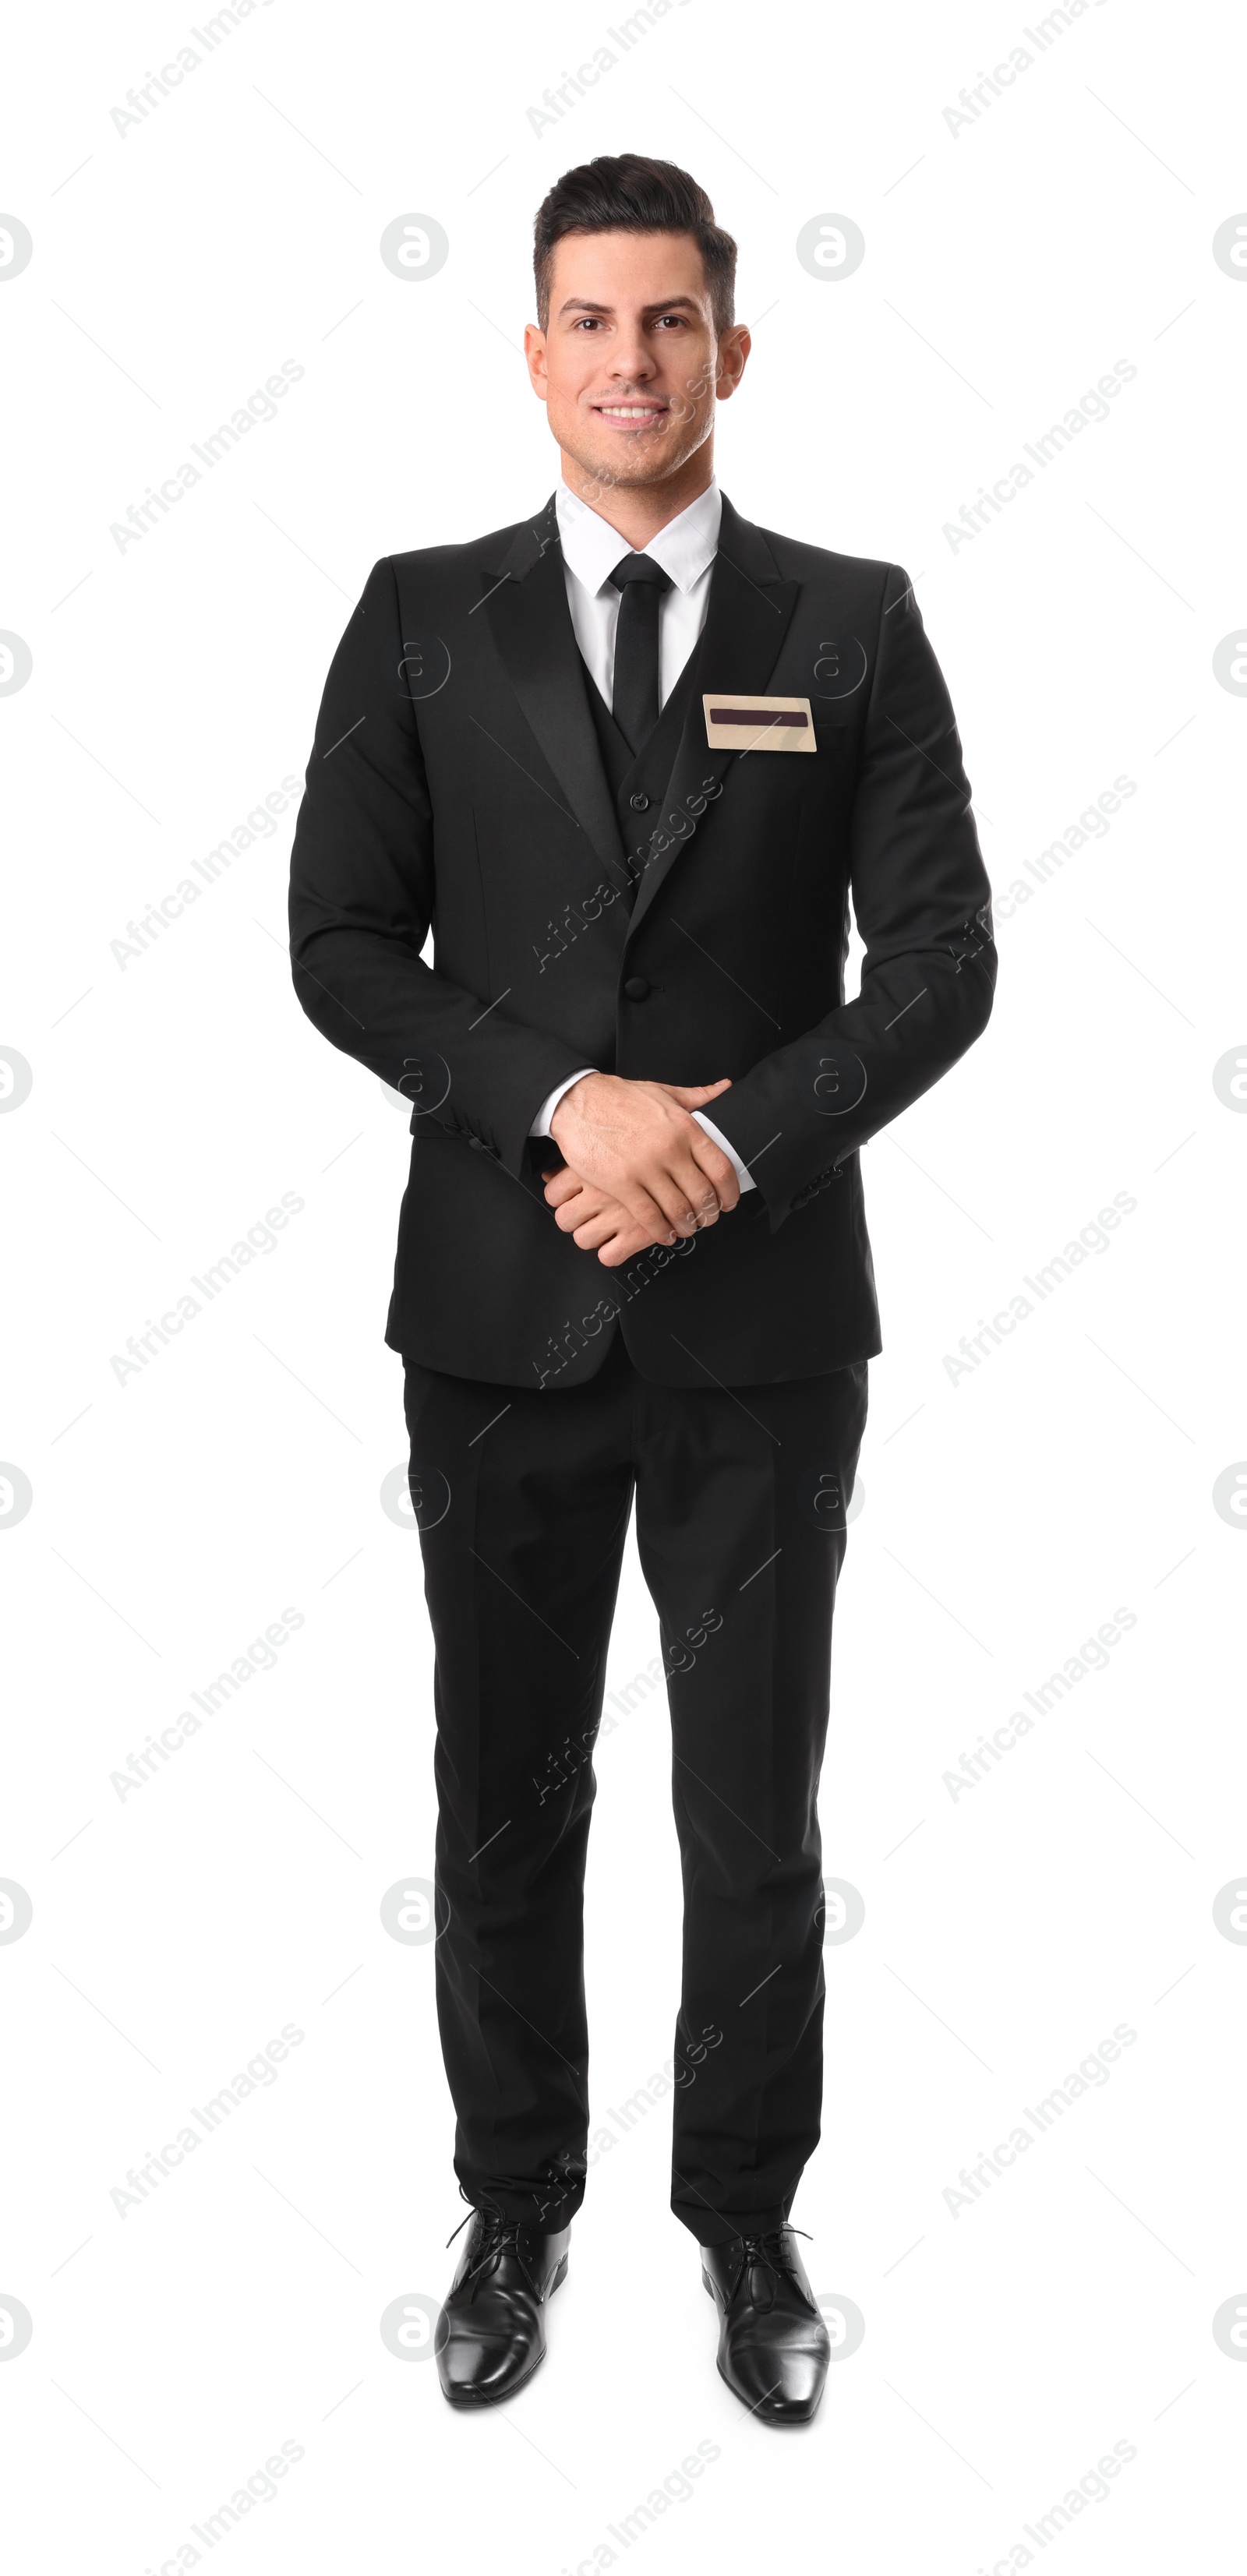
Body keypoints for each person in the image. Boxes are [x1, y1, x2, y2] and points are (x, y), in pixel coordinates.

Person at [288, 153, 996, 2423]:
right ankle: (516, 2200)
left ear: (731, 349)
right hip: (495, 1318)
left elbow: (952, 962)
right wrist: (559, 1103)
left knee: (752, 1800)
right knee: (504, 1786)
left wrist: (732, 1142)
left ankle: (746, 2209)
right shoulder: (422, 617)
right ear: (532, 352)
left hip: (765, 1328)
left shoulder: (851, 619)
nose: (628, 360)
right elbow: (335, 942)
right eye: (588, 322)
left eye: (669, 321)